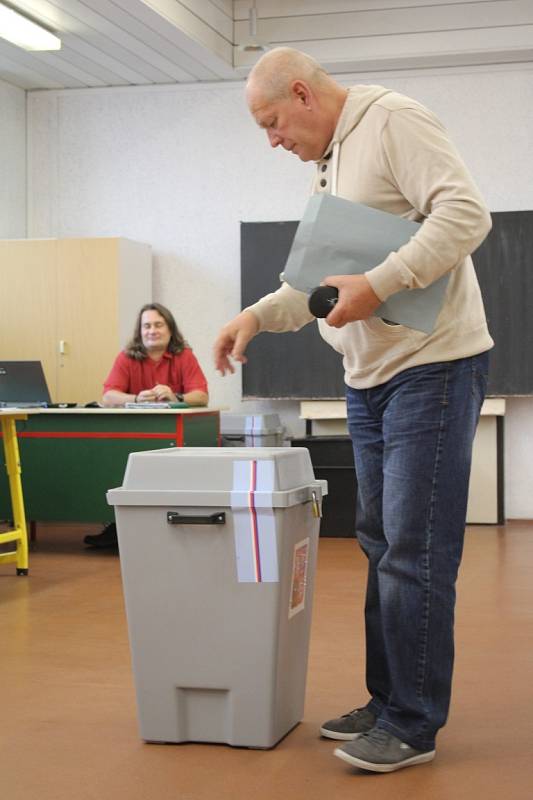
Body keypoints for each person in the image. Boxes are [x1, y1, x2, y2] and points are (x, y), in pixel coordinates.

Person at [213, 47, 493, 773]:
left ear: (302, 93)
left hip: (432, 367)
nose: (272, 140)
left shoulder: (390, 121)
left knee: (413, 546)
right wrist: (253, 316)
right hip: (368, 379)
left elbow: (465, 215)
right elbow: (312, 286)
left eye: (272, 123)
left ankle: (412, 722)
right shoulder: (329, 163)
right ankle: (386, 698)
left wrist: (379, 280)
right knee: (378, 542)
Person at [84, 302, 208, 549]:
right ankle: (117, 526)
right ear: (139, 332)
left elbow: (202, 396)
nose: (152, 330)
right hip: (131, 433)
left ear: (170, 329)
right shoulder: (127, 356)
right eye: (147, 326)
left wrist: (176, 396)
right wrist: (136, 398)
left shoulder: (184, 356)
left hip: (172, 434)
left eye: (158, 325)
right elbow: (109, 396)